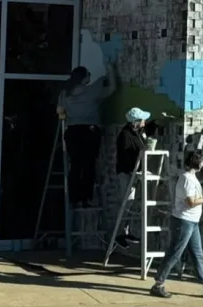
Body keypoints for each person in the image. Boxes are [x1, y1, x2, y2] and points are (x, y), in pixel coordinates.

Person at [151, 150, 203, 299]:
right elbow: (191, 202)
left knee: (197, 254)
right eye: (202, 161)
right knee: (175, 252)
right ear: (196, 162)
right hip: (183, 221)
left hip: (192, 221)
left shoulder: (192, 178)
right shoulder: (186, 179)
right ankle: (158, 284)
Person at [56, 64, 115, 207]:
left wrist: (69, 116)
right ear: (84, 79)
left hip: (72, 132)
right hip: (89, 131)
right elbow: (111, 89)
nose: (90, 76)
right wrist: (111, 72)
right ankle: (86, 199)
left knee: (75, 165)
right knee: (89, 165)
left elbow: (60, 112)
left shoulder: (65, 93)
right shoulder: (92, 91)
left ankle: (73, 198)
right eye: (88, 74)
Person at [113, 107, 158, 244]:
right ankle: (120, 233)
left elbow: (145, 133)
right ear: (135, 122)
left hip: (134, 171)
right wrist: (135, 169)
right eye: (142, 119)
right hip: (126, 172)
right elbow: (126, 156)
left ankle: (126, 231)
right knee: (127, 202)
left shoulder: (137, 132)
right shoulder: (125, 135)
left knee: (131, 203)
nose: (144, 121)